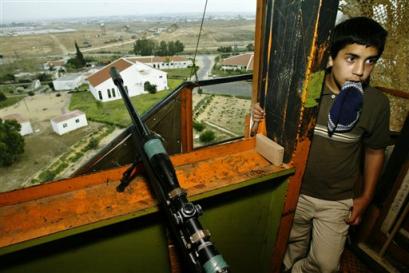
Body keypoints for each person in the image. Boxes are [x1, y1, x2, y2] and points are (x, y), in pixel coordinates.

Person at [253, 17, 390, 273]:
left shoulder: (376, 103)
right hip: (297, 191)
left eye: (370, 60)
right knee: (290, 248)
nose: (360, 70)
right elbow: (270, 130)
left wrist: (366, 197)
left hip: (337, 200)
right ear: (330, 58)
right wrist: (259, 116)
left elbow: (375, 151)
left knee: (325, 266)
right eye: (352, 58)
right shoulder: (306, 91)